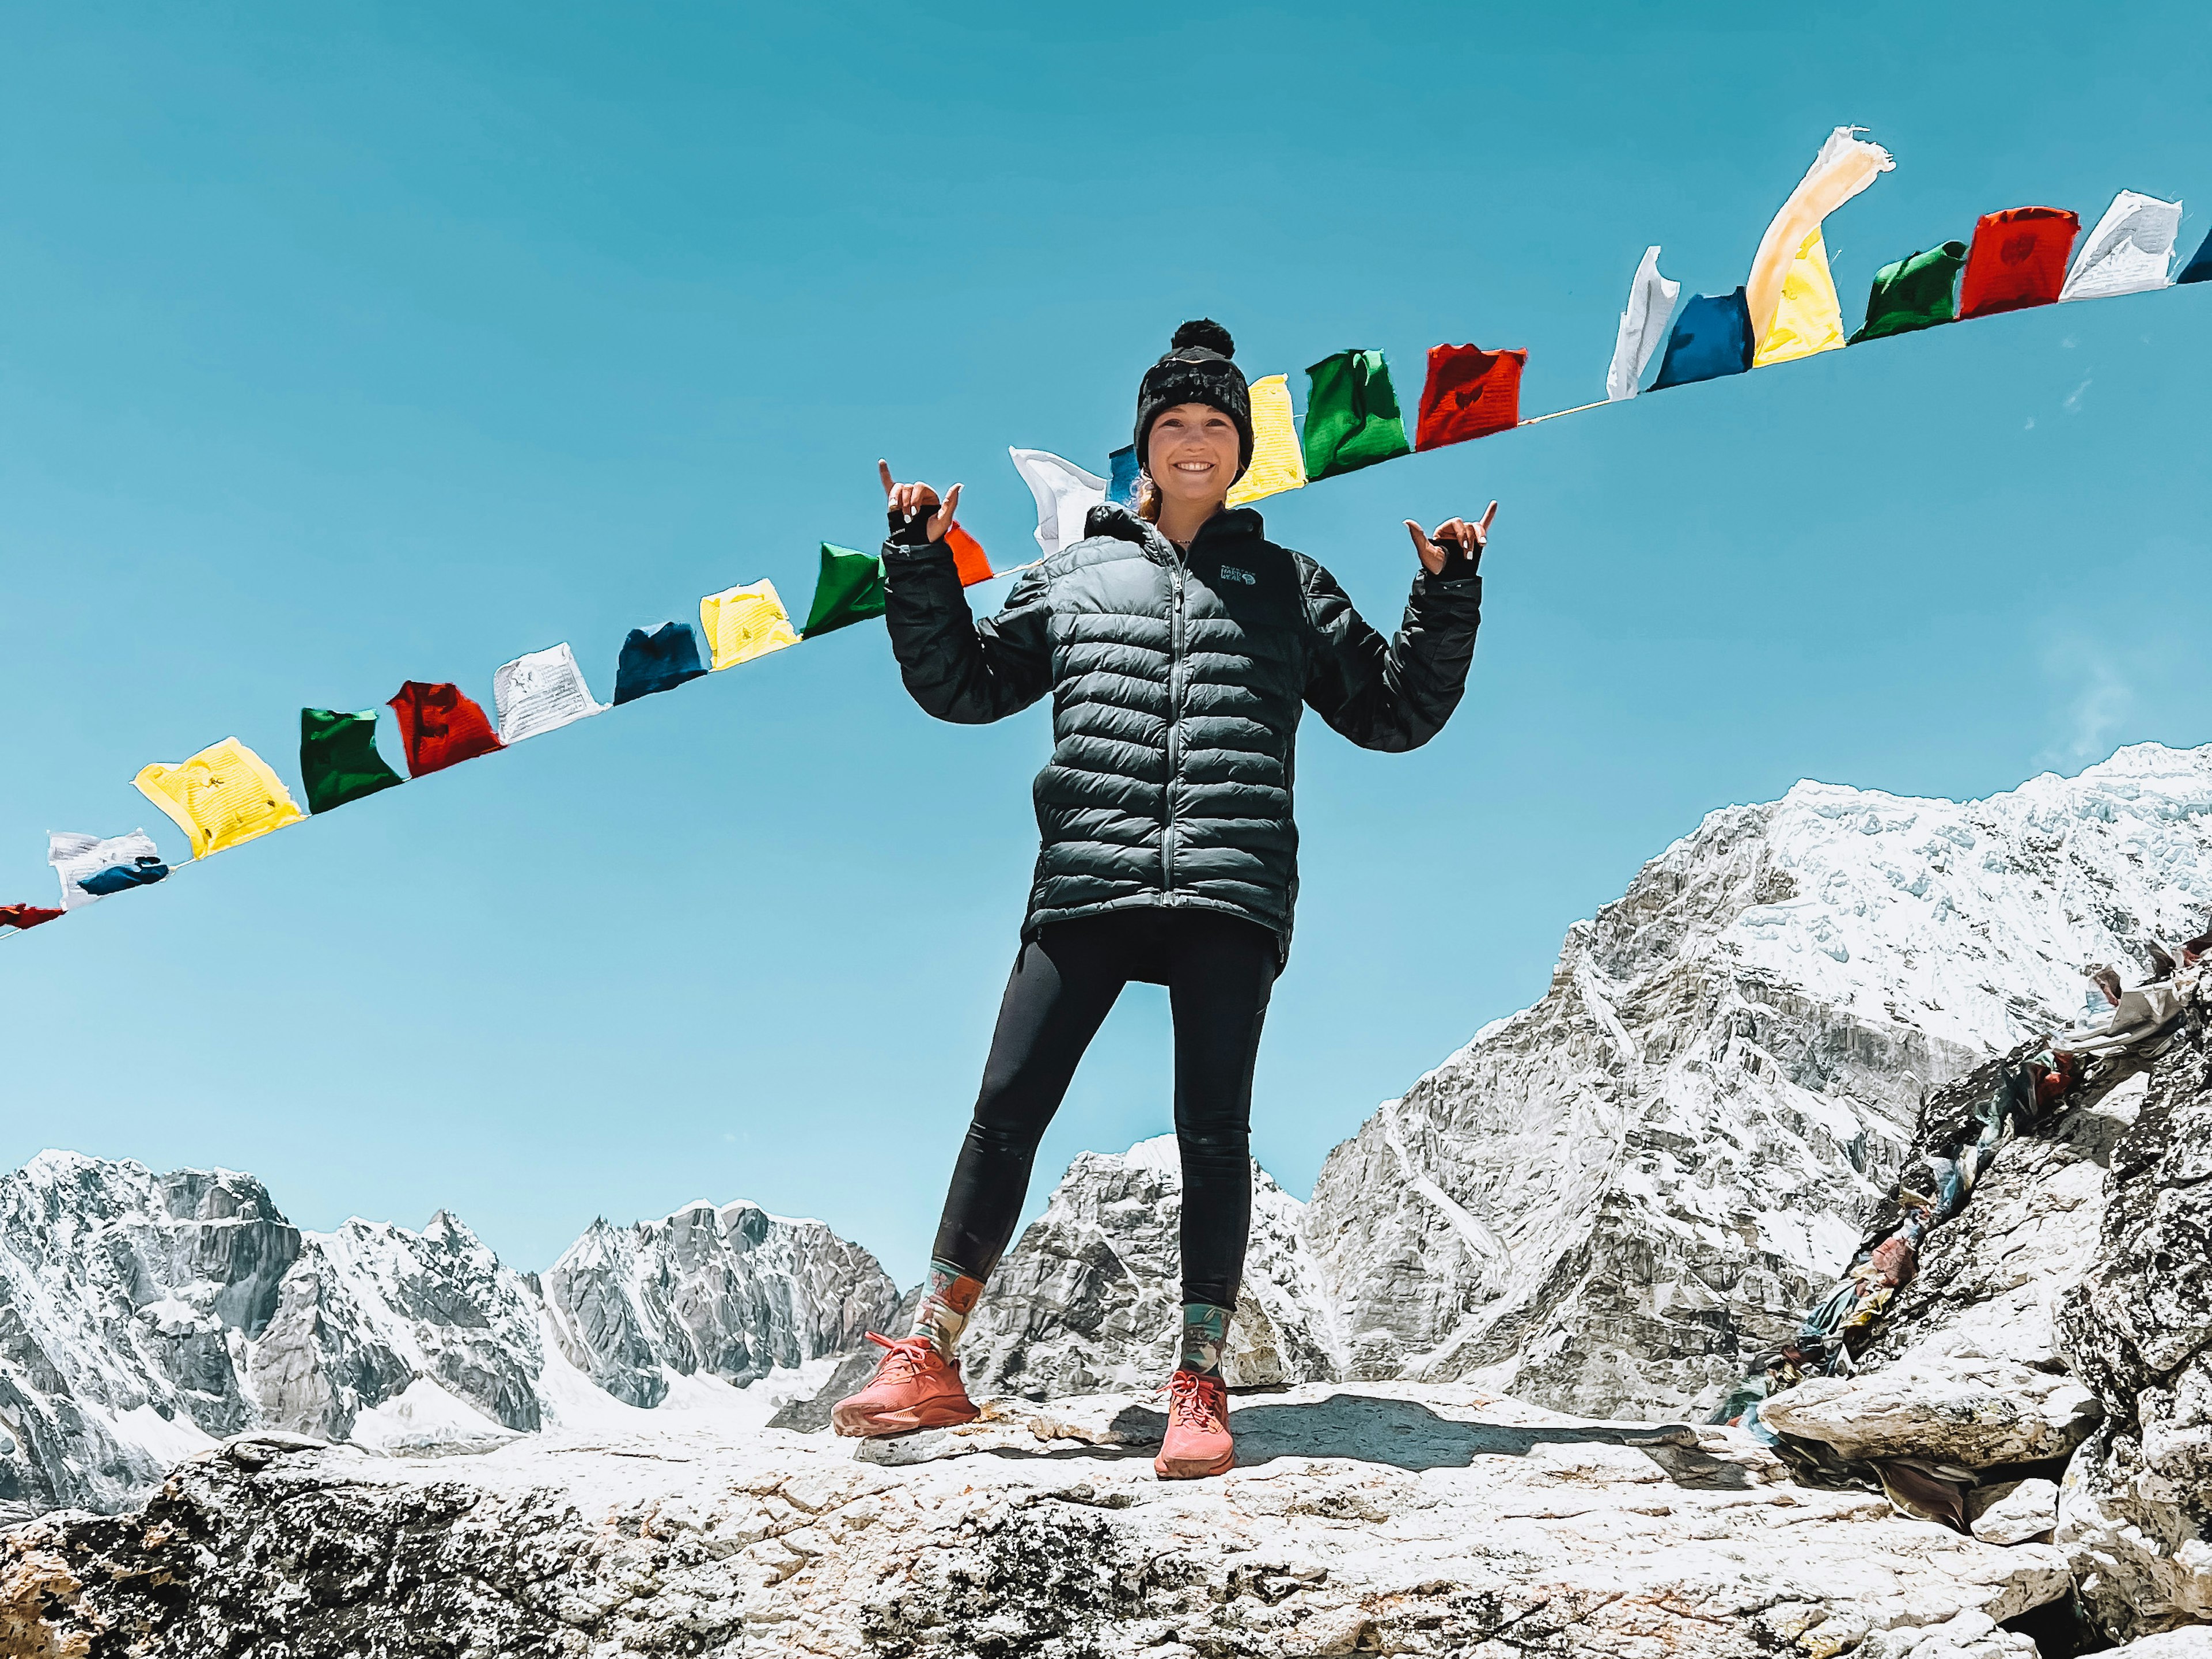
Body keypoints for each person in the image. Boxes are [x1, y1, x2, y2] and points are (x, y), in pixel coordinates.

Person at [837, 320, 1491, 1479]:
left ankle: (1200, 1378)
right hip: (1087, 877)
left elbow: (1394, 712)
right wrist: (920, 564)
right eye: (1175, 424)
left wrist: (1444, 601)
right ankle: (930, 1355)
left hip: (1229, 886)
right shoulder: (1075, 576)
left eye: (1216, 426)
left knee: (1213, 1135)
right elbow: (964, 686)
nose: (1195, 443)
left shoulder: (1290, 588)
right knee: (1006, 1105)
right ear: (1145, 444)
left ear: (1243, 451)